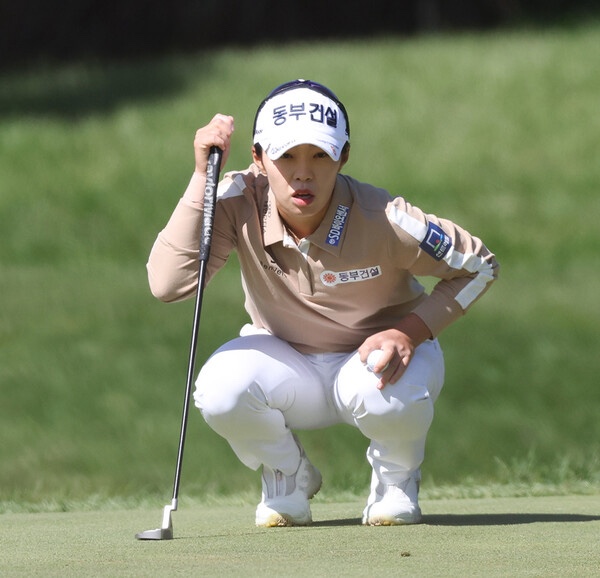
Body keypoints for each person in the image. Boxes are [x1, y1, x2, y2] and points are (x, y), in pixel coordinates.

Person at [147, 79, 499, 527]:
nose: (303, 174)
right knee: (221, 391)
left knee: (386, 389)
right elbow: (168, 283)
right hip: (287, 364)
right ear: (258, 158)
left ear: (343, 156)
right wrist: (202, 178)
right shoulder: (236, 200)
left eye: (320, 155)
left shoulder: (385, 218)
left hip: (377, 364)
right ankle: (289, 474)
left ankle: (396, 480)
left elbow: (480, 266)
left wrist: (409, 332)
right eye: (286, 156)